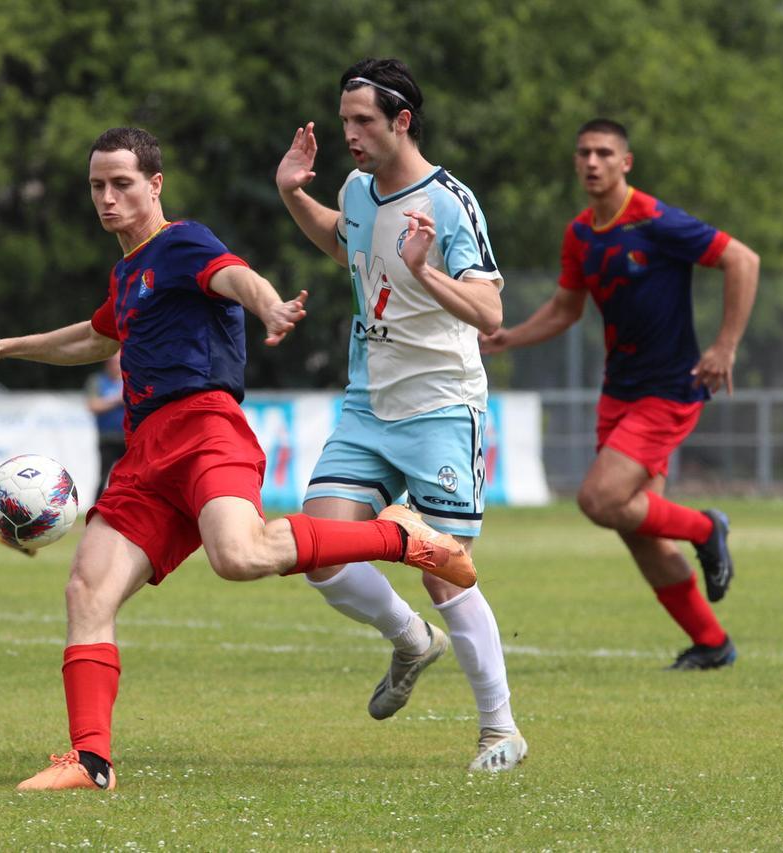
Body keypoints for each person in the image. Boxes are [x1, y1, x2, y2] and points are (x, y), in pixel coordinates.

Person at [0, 127, 479, 792]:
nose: (107, 198)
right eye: (97, 186)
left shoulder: (182, 241)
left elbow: (235, 277)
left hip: (204, 429)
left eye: (122, 184)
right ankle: (90, 759)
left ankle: (404, 536)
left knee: (240, 555)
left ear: (155, 184)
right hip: (145, 455)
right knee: (87, 589)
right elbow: (93, 334)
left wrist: (271, 305)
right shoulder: (129, 270)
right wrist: (0, 345)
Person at [275, 57, 525, 772]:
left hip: (442, 407)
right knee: (320, 551)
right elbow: (341, 241)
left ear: (402, 121)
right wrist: (293, 192)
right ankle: (411, 640)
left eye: (364, 121)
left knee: (445, 570)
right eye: (345, 119)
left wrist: (425, 271)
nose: (351, 134)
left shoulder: (449, 203)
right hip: (368, 405)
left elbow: (490, 311)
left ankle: (500, 729)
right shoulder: (356, 189)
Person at [481, 118, 760, 670]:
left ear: (625, 162)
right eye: (584, 152)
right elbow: (566, 308)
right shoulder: (580, 234)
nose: (592, 162)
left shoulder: (656, 221)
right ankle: (712, 644)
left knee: (599, 501)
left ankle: (708, 527)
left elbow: (742, 260)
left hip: (669, 389)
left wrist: (724, 346)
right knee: (638, 529)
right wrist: (510, 337)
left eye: (604, 153)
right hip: (619, 392)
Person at [85, 349, 126, 502]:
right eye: (113, 362)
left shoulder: (130, 380)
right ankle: (95, 508)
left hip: (129, 438)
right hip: (107, 438)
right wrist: (117, 400)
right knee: (103, 477)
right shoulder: (97, 381)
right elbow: (93, 405)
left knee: (129, 478)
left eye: (118, 362)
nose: (116, 365)